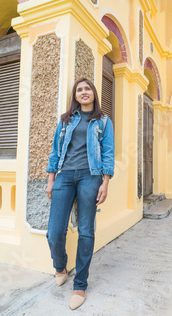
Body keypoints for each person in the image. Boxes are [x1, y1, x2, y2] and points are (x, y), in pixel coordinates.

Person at [45, 77, 114, 310]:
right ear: (75, 96)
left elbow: (108, 152)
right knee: (54, 232)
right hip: (64, 176)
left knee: (86, 231)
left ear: (94, 93)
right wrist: (50, 180)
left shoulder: (103, 122)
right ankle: (60, 266)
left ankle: (80, 284)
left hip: (90, 177)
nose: (84, 92)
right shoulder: (65, 121)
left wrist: (105, 182)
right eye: (79, 90)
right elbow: (55, 150)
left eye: (87, 89)